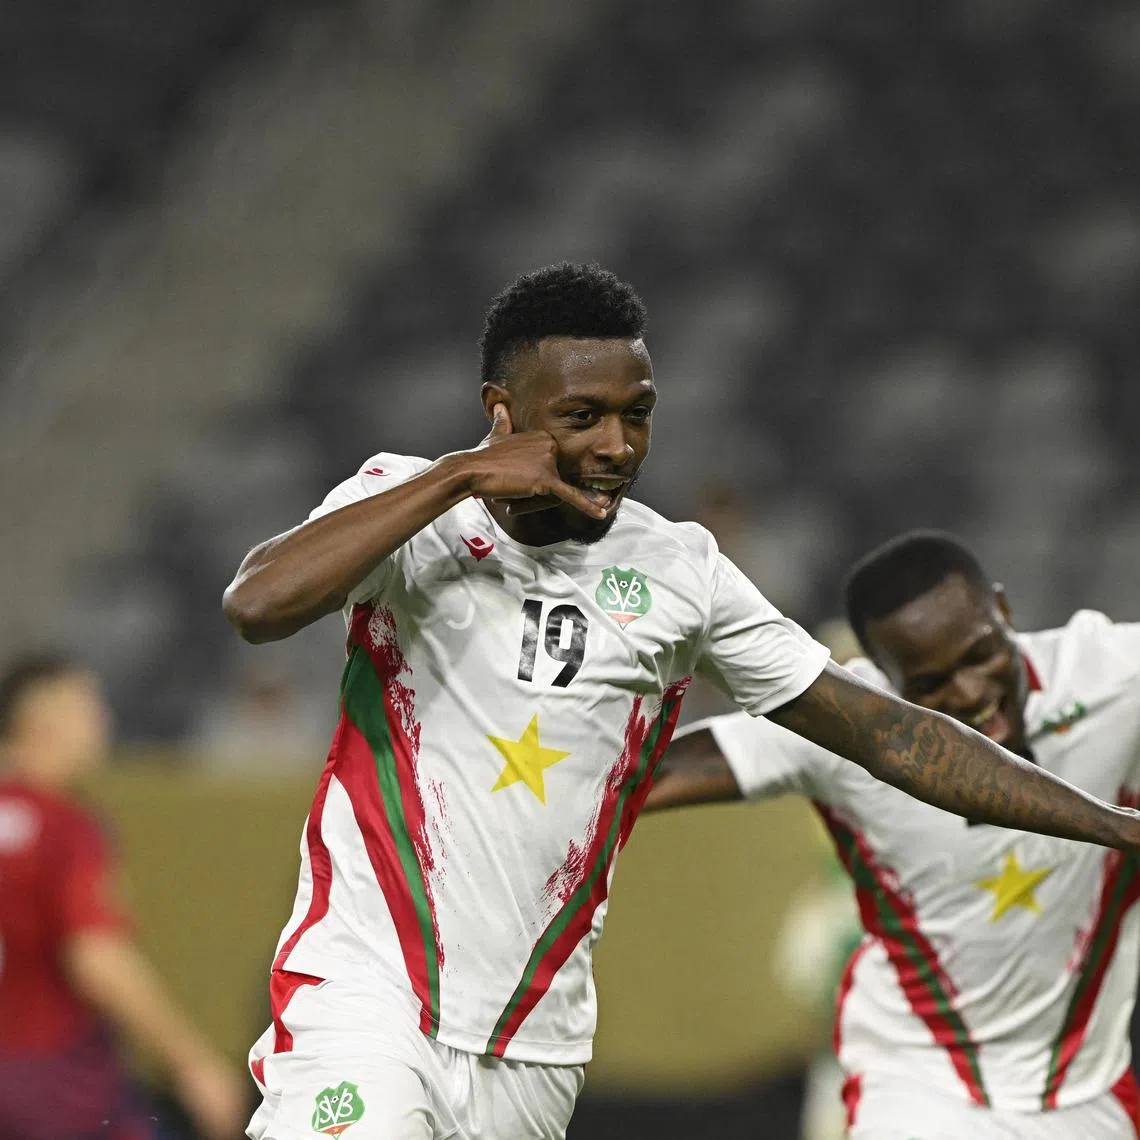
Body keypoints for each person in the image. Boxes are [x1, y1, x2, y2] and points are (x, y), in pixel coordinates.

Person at [223, 263, 1140, 1140]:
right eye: (581, 417)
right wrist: (457, 476)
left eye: (638, 415)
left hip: (535, 1043)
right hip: (366, 989)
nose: (617, 447)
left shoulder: (681, 573)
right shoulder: (408, 506)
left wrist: (1113, 827)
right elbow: (258, 604)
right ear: (504, 415)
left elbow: (890, 735)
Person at [644, 530, 1140, 1139]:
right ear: (881, 674)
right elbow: (645, 772)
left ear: (1004, 612)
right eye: (931, 685)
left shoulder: (1109, 674)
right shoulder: (845, 723)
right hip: (917, 1081)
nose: (972, 694)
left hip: (1084, 1093)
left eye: (981, 654)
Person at [0, 653, 247, 1140]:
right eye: (90, 705)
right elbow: (97, 956)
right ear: (45, 718)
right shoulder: (64, 827)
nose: (103, 721)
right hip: (56, 1081)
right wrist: (193, 1063)